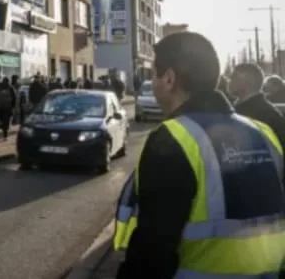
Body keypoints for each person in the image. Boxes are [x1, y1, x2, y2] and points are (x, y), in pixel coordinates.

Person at [113, 32, 285, 279]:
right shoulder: (263, 133)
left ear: (169, 79)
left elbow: (153, 250)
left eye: (154, 75)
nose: (154, 83)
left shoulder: (174, 138)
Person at [229, 63, 285, 149]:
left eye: (234, 77)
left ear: (247, 82)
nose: (230, 81)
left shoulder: (266, 114)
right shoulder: (265, 111)